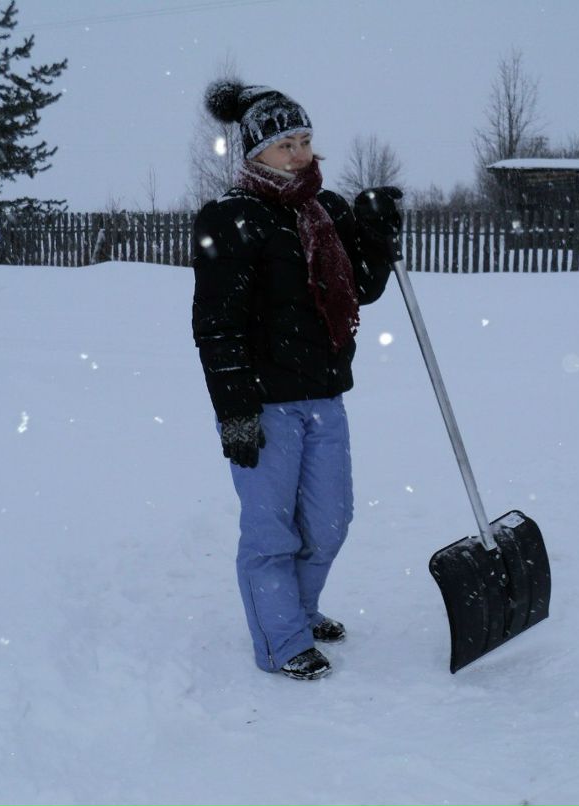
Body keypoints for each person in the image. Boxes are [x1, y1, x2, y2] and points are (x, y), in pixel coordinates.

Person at [191, 79, 402, 680]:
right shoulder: (231, 218)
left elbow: (360, 286)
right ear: (255, 152)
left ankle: (301, 613)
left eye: (306, 140)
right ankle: (280, 640)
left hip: (325, 395)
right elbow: (217, 325)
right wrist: (234, 408)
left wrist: (377, 231)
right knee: (270, 532)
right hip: (262, 404)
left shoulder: (324, 210)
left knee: (331, 521)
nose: (301, 154)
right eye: (286, 144)